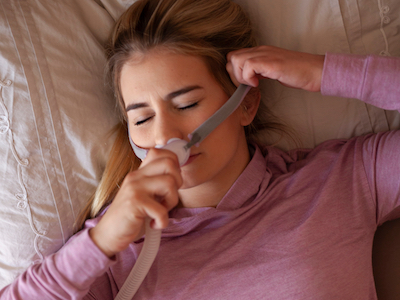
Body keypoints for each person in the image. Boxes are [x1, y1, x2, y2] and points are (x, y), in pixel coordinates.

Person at [1, 0, 399, 299]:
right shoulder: (120, 249)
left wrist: (323, 72)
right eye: (141, 118)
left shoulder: (342, 182)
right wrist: (100, 242)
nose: (164, 134)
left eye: (187, 104)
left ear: (245, 103)